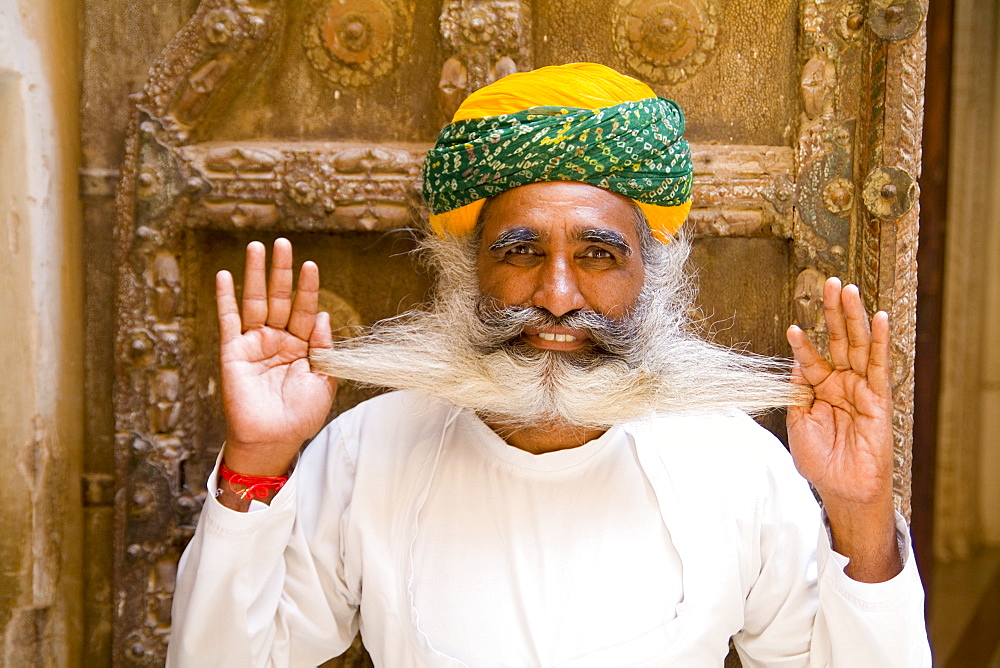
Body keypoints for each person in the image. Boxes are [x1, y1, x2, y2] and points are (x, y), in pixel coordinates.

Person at [167, 63, 930, 666]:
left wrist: (858, 515)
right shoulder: (370, 450)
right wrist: (259, 461)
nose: (558, 296)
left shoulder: (734, 463)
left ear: (652, 280)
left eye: (598, 256)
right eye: (521, 252)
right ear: (468, 272)